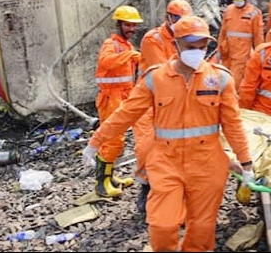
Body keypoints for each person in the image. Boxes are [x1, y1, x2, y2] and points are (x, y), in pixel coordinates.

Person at [82, 16, 253, 252]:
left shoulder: (220, 78)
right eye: (190, 46)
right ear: (176, 44)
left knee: (202, 230)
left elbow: (233, 124)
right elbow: (126, 114)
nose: (197, 51)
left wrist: (246, 163)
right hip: (166, 162)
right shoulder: (155, 78)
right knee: (162, 226)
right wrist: (96, 142)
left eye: (202, 46)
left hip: (207, 164)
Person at [134, 0, 193, 213]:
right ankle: (145, 188)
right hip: (150, 100)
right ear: (168, 17)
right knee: (146, 147)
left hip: (174, 99)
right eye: (177, 19)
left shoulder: (185, 37)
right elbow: (164, 72)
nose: (180, 23)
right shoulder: (153, 39)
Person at [92, 5, 143, 198]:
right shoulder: (111, 44)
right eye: (128, 25)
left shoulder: (127, 46)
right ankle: (101, 183)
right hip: (110, 97)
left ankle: (110, 177)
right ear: (119, 24)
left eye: (133, 25)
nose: (131, 29)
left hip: (123, 96)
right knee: (111, 139)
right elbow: (106, 62)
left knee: (118, 141)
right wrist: (130, 55)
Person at [217, 0, 264, 89]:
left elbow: (258, 37)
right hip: (227, 53)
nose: (237, 1)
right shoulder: (228, 11)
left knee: (233, 83)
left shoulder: (254, 13)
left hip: (241, 55)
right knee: (222, 80)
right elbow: (223, 32)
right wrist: (219, 51)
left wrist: (260, 58)